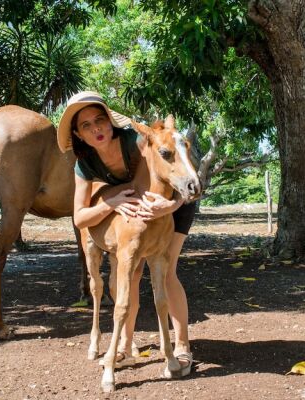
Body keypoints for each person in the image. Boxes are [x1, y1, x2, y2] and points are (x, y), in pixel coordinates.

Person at [57, 91, 195, 377]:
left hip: (175, 201)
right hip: (132, 208)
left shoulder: (136, 142)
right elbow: (80, 217)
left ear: (110, 120)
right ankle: (125, 345)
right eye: (86, 125)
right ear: (78, 135)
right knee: (128, 274)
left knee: (167, 272)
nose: (96, 128)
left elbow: (174, 165)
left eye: (100, 120)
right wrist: (111, 202)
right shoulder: (84, 165)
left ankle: (181, 346)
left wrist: (171, 204)